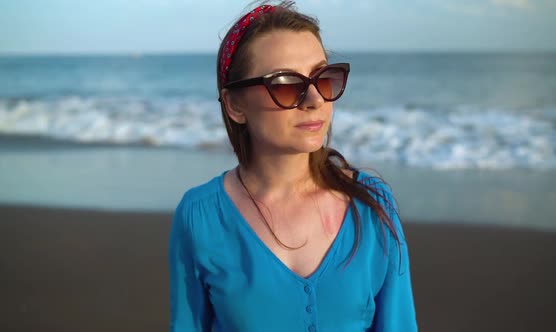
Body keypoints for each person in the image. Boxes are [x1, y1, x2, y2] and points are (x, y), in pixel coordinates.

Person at [169, 1, 417, 331]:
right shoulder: (200, 216)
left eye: (324, 78)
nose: (315, 100)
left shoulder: (370, 205)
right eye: (286, 83)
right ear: (235, 105)